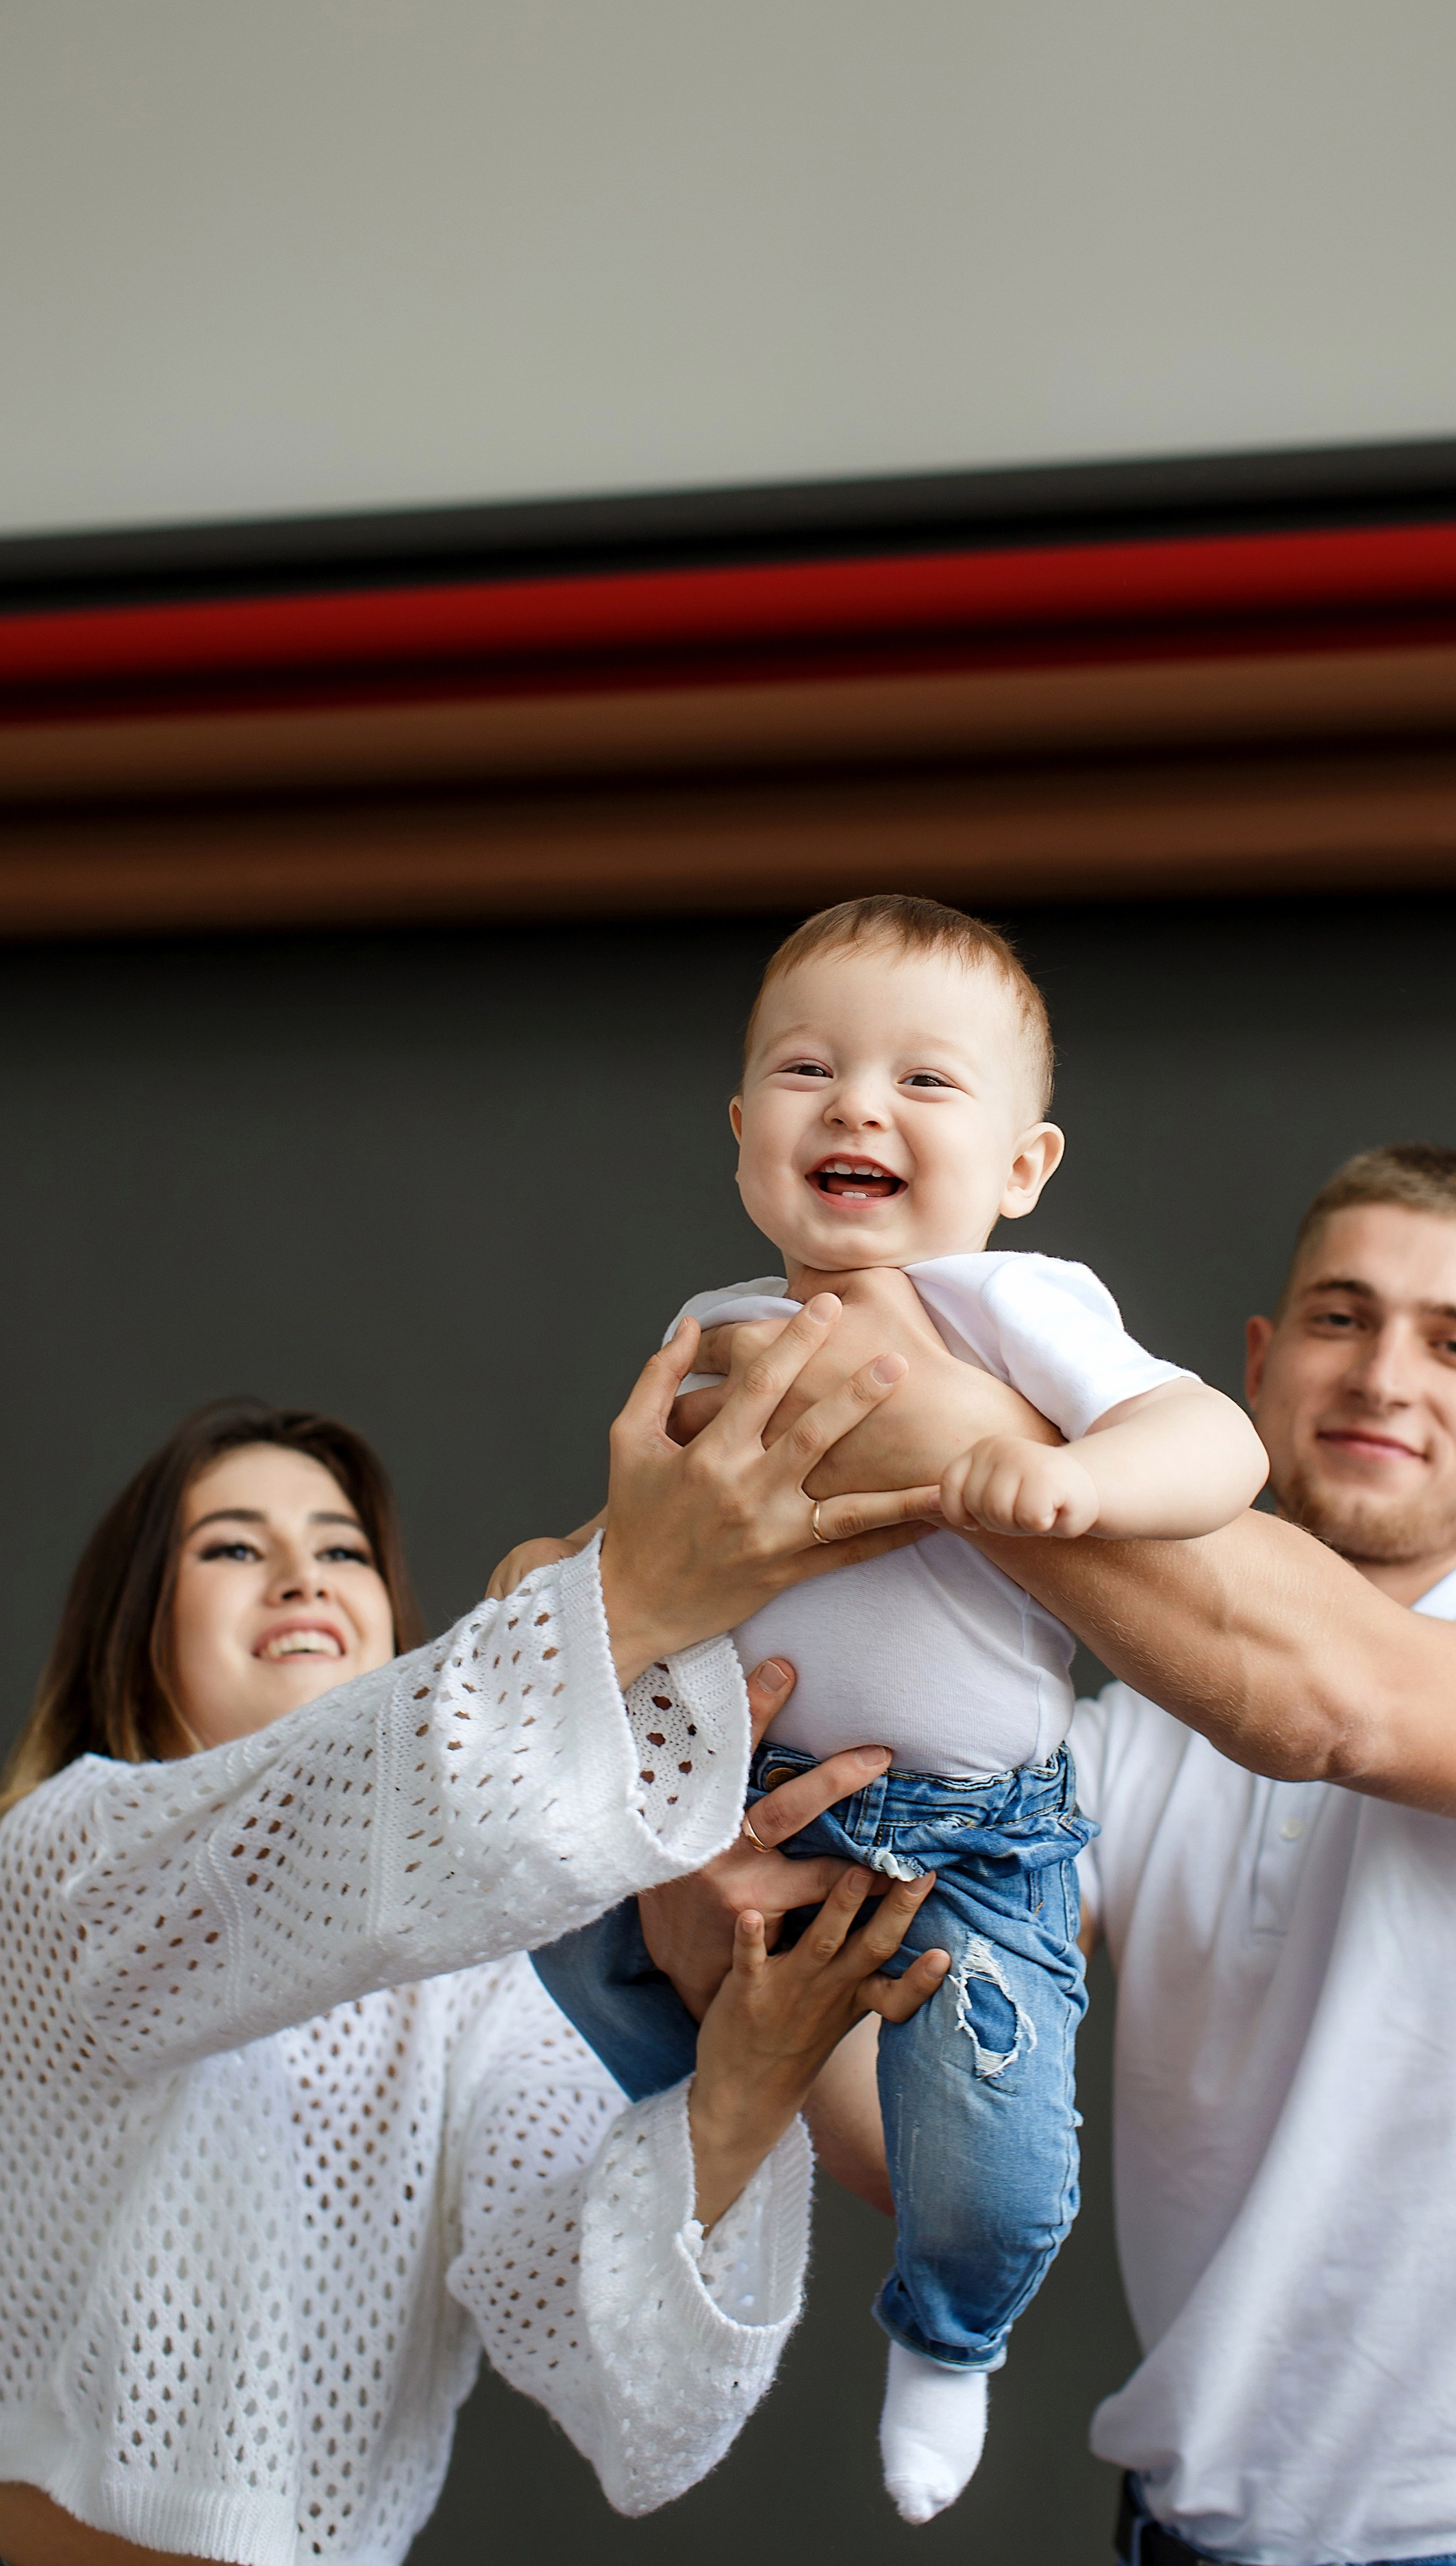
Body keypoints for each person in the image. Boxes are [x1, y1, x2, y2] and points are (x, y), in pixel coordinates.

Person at [626, 1142, 1456, 2566]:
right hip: (1173, 2538)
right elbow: (905, 2140)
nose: (1382, 1375)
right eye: (1339, 1318)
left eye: (1454, 1344)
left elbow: (1334, 1703)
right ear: (1257, 1366)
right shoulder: (1114, 1753)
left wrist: (934, 1431)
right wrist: (693, 1896)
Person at [0, 1296, 952, 2566]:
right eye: (228, 1549)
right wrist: (629, 1595)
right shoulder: (71, 1865)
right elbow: (313, 1827)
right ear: (134, 1630)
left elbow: (633, 2397)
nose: (303, 1575)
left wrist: (740, 2085)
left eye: (343, 1550)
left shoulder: (470, 1987)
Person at [527, 895, 1267, 2524]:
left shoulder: (1007, 1310)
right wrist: (561, 1569)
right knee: (553, 1970)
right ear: (742, 1132)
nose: (857, 1105)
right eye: (809, 1069)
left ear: (1019, 1169)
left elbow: (1219, 1442)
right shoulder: (711, 1329)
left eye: (924, 1085)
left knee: (997, 2174)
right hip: (724, 1795)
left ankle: (949, 2334)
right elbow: (650, 1541)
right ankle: (664, 2157)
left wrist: (1077, 1477)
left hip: (969, 1843)